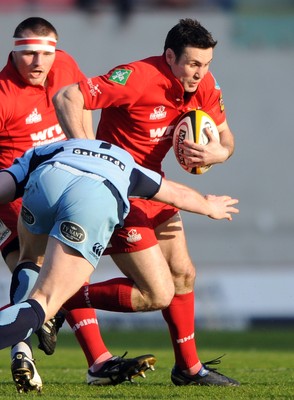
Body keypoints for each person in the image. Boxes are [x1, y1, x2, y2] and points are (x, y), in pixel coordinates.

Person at [53, 18, 240, 386]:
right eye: (193, 64)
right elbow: (68, 97)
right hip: (120, 196)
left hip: (155, 188)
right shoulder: (137, 76)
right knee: (158, 293)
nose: (201, 73)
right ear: (170, 56)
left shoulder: (203, 85)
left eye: (207, 65)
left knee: (184, 274)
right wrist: (89, 156)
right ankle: (63, 298)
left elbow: (226, 141)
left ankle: (188, 369)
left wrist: (215, 155)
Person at [0, 16, 151, 393]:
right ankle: (69, 355)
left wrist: (82, 149)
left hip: (66, 180)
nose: (38, 62)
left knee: (49, 271)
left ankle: (38, 350)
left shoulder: (63, 64)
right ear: (13, 52)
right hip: (17, 192)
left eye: (44, 54)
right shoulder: (3, 95)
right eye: (29, 54)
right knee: (47, 268)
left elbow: (81, 102)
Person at [0, 138, 239, 370]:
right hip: (93, 195)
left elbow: (6, 185)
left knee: (30, 260)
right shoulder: (128, 164)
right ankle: (47, 314)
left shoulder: (46, 150)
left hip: (48, 179)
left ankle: (24, 345)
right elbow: (176, 194)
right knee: (45, 302)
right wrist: (209, 207)